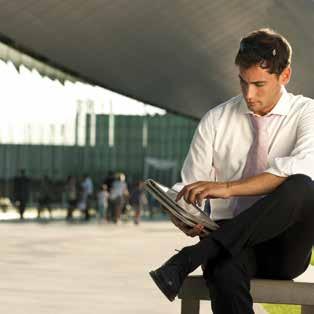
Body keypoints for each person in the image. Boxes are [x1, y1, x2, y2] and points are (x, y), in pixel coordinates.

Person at [149, 28, 314, 314]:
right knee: (223, 269)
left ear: (284, 76)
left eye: (259, 84)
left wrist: (226, 187)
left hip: (285, 246)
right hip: (229, 243)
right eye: (243, 82)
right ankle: (203, 252)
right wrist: (182, 213)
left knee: (300, 185)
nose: (249, 94)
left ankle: (192, 257)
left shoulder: (307, 113)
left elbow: (302, 169)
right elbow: (190, 186)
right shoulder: (216, 120)